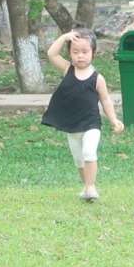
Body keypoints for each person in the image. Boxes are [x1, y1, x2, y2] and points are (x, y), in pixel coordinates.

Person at [41, 28, 122, 202]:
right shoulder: (67, 69)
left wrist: (114, 119)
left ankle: (91, 186)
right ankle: (86, 187)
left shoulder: (97, 78)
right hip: (72, 125)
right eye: (75, 52)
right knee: (79, 160)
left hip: (91, 124)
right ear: (70, 53)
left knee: (89, 152)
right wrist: (64, 37)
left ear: (93, 53)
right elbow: (51, 54)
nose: (80, 56)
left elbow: (106, 101)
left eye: (85, 52)